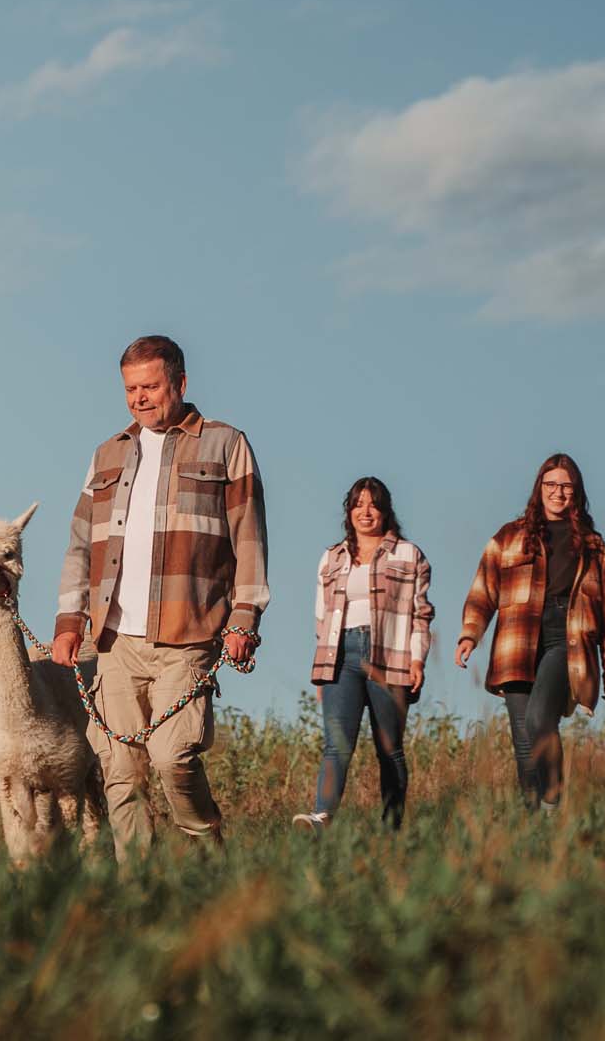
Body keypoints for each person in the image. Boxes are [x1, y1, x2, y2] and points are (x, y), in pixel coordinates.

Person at [51, 335, 268, 859]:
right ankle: (138, 892)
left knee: (173, 757)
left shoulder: (224, 444)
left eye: (150, 386)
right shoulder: (107, 454)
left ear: (181, 383)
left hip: (188, 634)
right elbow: (81, 544)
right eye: (130, 389)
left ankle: (208, 854)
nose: (139, 399)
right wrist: (67, 620)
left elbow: (249, 538)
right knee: (120, 773)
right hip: (115, 642)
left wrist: (244, 617)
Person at [456, 454, 605, 811]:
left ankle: (553, 802)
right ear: (540, 489)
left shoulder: (593, 546)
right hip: (516, 641)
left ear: (576, 492)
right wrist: (470, 634)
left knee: (539, 720)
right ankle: (532, 822)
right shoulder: (509, 536)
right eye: (551, 485)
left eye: (566, 486)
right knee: (522, 738)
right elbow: (483, 589)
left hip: (567, 636)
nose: (558, 493)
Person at [292, 477, 432, 831]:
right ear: (349, 511)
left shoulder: (408, 554)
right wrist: (323, 670)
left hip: (390, 655)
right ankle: (321, 815)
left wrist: (417, 659)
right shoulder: (332, 557)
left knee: (389, 747)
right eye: (358, 504)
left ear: (385, 511)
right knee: (336, 743)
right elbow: (321, 617)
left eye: (373, 505)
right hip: (340, 656)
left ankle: (392, 826)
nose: (365, 512)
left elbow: (421, 613)